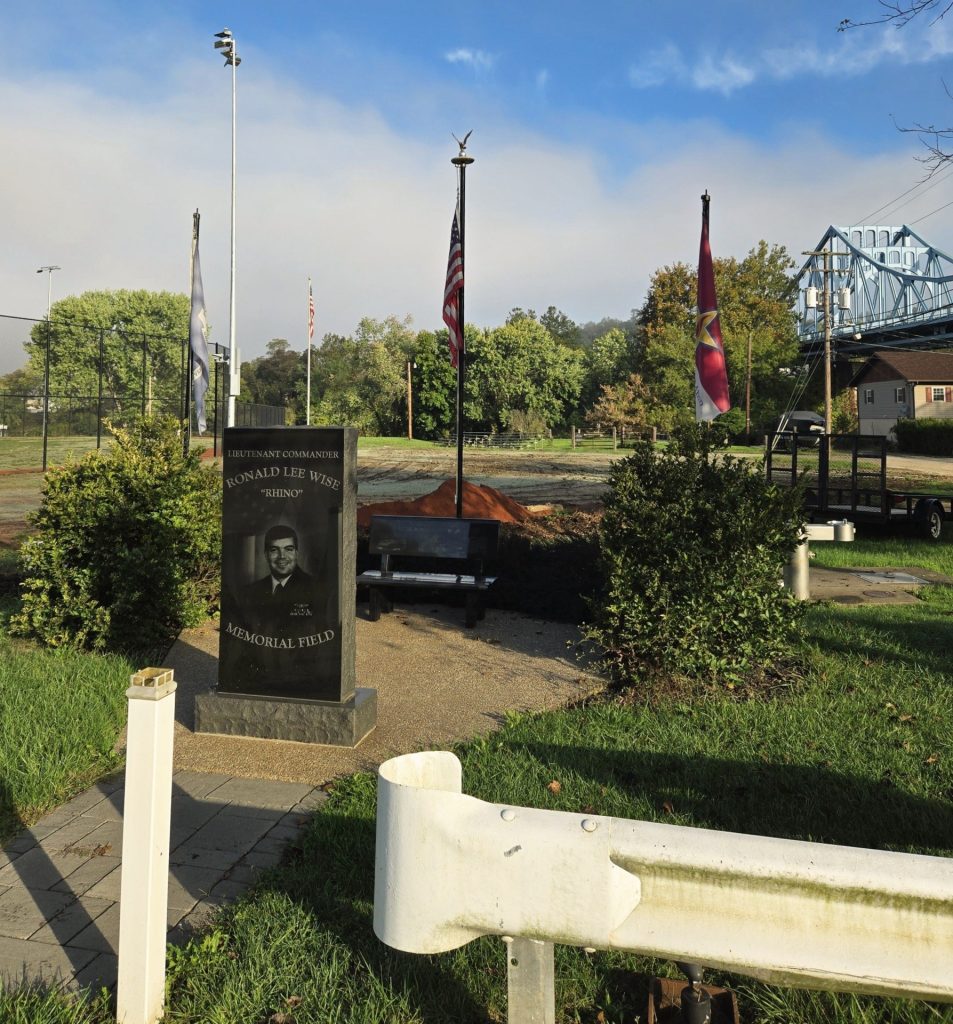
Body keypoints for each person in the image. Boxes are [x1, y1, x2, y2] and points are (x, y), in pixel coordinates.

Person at [243, 524, 315, 626]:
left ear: (296, 553)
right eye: (274, 550)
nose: (282, 556)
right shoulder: (250, 592)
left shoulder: (315, 588)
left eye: (288, 549)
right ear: (266, 555)